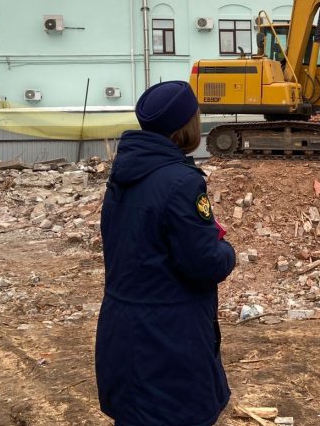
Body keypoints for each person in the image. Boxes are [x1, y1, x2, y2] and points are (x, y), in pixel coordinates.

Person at [95, 80, 236, 426]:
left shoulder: (124, 177)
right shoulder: (181, 182)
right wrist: (226, 250)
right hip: (168, 342)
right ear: (185, 126)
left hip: (124, 334)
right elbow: (203, 263)